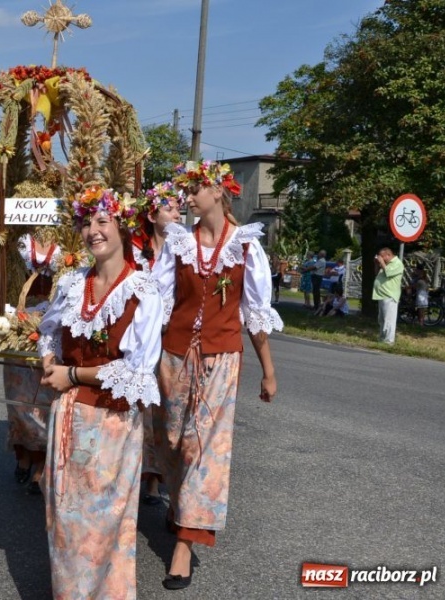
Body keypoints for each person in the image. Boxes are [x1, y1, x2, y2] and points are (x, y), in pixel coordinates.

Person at [153, 161, 281, 590]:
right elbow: (157, 305)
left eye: (194, 190)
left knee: (205, 445)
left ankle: (186, 544)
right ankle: (178, 504)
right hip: (173, 357)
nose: (187, 199)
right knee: (172, 438)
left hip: (222, 360)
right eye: (186, 192)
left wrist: (268, 371)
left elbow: (256, 316)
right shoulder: (178, 243)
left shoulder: (246, 247)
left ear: (219, 193)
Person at [38, 186, 163, 600]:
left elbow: (137, 371)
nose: (92, 231)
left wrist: (72, 374)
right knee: (65, 519)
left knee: (101, 522)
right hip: (69, 416)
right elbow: (49, 332)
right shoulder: (75, 283)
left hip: (110, 422)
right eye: (87, 222)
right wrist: (49, 358)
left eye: (102, 221)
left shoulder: (143, 290)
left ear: (124, 227)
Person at [135, 180, 184, 506]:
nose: (178, 212)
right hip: (139, 340)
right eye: (170, 208)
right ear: (152, 216)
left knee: (167, 411)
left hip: (172, 340)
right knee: (140, 409)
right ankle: (139, 474)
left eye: (180, 207)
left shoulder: (186, 250)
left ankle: (158, 477)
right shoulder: (135, 250)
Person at [4, 230, 60, 495]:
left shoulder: (68, 241)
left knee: (44, 403)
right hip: (20, 321)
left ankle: (41, 462)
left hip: (51, 326)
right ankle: (23, 453)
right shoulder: (20, 239)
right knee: (20, 401)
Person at [373, 247, 403, 344]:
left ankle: (389, 341)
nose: (380, 258)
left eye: (382, 256)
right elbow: (376, 274)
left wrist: (382, 263)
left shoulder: (397, 263)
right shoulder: (385, 264)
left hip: (390, 295)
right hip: (381, 295)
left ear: (388, 255)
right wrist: (377, 264)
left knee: (389, 320)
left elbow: (388, 273)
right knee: (381, 319)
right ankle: (382, 338)